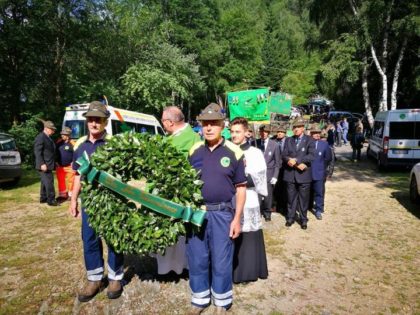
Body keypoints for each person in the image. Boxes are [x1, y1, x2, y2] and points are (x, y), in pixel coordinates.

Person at [187, 103, 246, 314]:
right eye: (205, 124)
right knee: (197, 257)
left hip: (222, 213)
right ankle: (200, 298)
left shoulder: (234, 152)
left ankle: (221, 301)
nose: (209, 128)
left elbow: (240, 188)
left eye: (214, 123)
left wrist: (237, 218)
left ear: (223, 126)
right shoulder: (194, 151)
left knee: (221, 259)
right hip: (196, 214)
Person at [69, 101, 124, 302]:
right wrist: (73, 199)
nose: (94, 123)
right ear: (87, 121)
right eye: (91, 119)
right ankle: (94, 278)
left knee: (114, 239)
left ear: (105, 122)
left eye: (98, 120)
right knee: (89, 239)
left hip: (111, 200)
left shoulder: (114, 145)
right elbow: (77, 176)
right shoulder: (80, 145)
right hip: (90, 201)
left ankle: (115, 277)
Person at [154, 106, 201, 275]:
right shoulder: (168, 138)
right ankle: (167, 267)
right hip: (163, 194)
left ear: (170, 122)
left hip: (179, 195)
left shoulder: (193, 139)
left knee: (179, 233)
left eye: (163, 121)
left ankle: (179, 267)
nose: (162, 124)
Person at [230, 117, 268, 283]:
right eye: (231, 131)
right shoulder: (227, 151)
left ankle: (248, 272)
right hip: (230, 200)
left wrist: (237, 178)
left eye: (238, 132)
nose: (234, 135)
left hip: (249, 198)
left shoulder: (255, 153)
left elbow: (258, 179)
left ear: (247, 133)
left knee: (248, 237)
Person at [282, 118, 315, 229]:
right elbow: (284, 154)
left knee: (303, 199)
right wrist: (288, 160)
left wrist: (297, 160)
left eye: (298, 127)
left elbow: (311, 155)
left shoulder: (309, 140)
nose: (295, 129)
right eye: (294, 127)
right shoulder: (288, 140)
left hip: (304, 175)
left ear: (302, 128)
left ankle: (303, 219)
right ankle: (290, 218)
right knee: (291, 199)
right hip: (290, 175)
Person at [256, 124, 281, 221]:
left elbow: (277, 163)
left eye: (265, 132)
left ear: (269, 133)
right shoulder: (255, 143)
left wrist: (275, 176)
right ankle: (257, 212)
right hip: (257, 174)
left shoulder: (274, 145)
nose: (263, 134)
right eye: (262, 132)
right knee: (257, 195)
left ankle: (267, 212)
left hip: (269, 174)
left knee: (268, 196)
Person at [310, 125, 332, 220]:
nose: (317, 135)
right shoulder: (307, 143)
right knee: (307, 193)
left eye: (318, 133)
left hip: (319, 172)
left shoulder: (324, 144)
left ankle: (318, 210)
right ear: (311, 134)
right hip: (306, 173)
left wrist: (323, 170)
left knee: (319, 192)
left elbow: (328, 158)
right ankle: (307, 207)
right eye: (314, 133)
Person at [34, 120, 58, 206]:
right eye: (52, 129)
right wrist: (41, 164)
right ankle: (51, 200)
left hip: (49, 164)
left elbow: (50, 152)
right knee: (49, 182)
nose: (53, 131)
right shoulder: (41, 137)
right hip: (44, 165)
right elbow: (37, 152)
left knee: (44, 182)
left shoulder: (48, 137)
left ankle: (43, 198)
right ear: (46, 128)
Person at [55, 127, 76, 202]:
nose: (62, 135)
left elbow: (76, 154)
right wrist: (56, 161)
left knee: (71, 181)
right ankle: (62, 195)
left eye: (63, 134)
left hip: (69, 166)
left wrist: (73, 161)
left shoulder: (73, 143)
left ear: (68, 135)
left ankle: (70, 195)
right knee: (61, 180)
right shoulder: (58, 142)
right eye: (61, 134)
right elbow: (55, 152)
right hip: (59, 166)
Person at [273, 126, 288, 214]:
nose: (279, 133)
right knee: (276, 187)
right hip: (276, 167)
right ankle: (276, 205)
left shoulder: (288, 141)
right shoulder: (274, 141)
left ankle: (284, 205)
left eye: (281, 132)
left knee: (285, 188)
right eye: (278, 131)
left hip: (285, 167)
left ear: (285, 133)